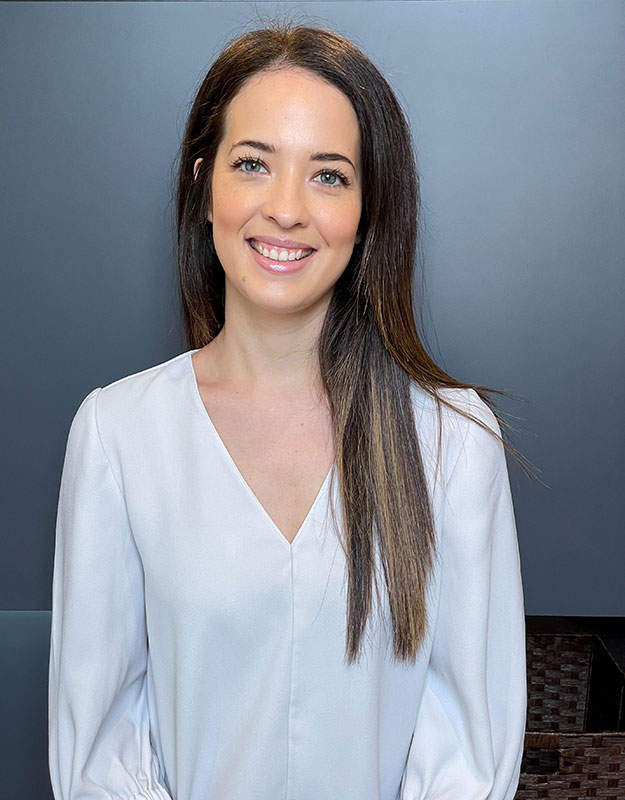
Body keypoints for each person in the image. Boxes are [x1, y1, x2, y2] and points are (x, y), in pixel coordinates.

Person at [48, 19, 528, 800]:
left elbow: (467, 757)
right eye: (252, 164)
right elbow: (100, 750)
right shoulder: (116, 433)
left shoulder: (452, 442)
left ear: (369, 210)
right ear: (205, 187)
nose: (285, 209)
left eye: (329, 175)